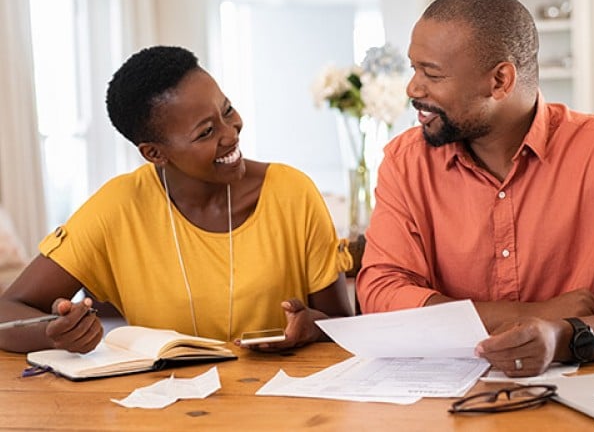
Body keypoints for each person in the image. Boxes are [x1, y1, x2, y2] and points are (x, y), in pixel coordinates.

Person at [355, 0, 594, 377]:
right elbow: (381, 294)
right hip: (441, 392)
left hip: (578, 384)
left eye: (431, 73)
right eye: (414, 68)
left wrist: (562, 336)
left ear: (500, 80)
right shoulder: (405, 162)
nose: (413, 89)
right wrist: (529, 315)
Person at [0, 45, 353, 354]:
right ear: (155, 153)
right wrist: (52, 332)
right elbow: (9, 309)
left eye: (227, 110)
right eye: (206, 132)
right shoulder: (118, 207)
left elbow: (341, 325)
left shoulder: (292, 192)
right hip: (164, 408)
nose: (231, 133)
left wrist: (308, 329)